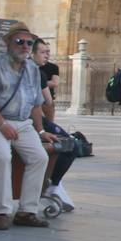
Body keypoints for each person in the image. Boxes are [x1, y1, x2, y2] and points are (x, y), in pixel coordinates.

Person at [0, 24, 53, 230]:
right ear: (8, 43)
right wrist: (1, 124)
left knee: (40, 157)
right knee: (2, 156)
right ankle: (2, 211)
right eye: (20, 41)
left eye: (29, 42)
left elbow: (36, 104)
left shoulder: (33, 69)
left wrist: (41, 130)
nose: (25, 46)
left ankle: (27, 211)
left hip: (23, 123)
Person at [34, 39, 77, 211]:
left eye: (47, 52)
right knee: (70, 144)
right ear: (32, 53)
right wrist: (41, 130)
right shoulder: (38, 74)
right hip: (34, 121)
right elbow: (47, 100)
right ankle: (52, 184)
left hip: (28, 121)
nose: (46, 55)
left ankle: (51, 185)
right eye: (43, 52)